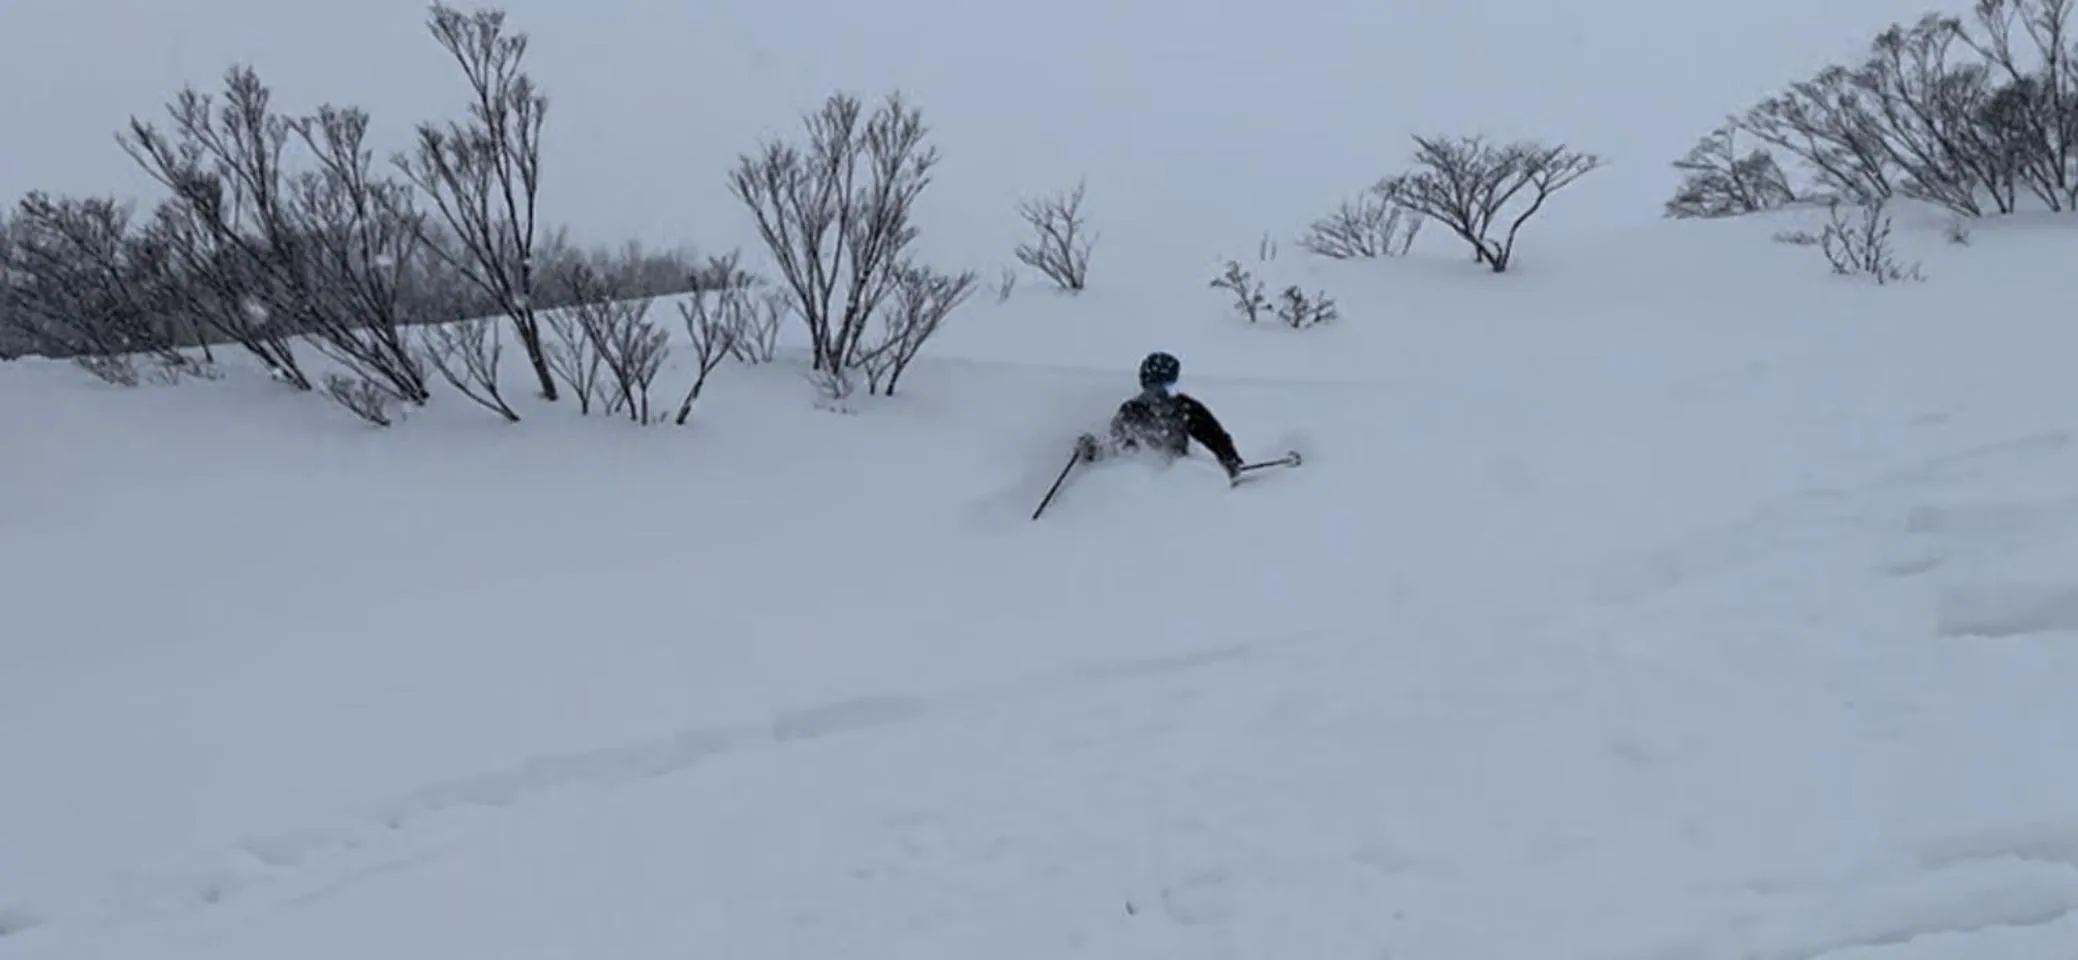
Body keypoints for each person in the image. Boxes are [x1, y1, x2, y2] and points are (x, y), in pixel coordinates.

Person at [1075, 351, 1247, 480]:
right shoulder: (1132, 411)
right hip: (1140, 482)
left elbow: (1214, 436)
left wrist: (1230, 461)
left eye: (1167, 387)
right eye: (1154, 388)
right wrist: (1092, 450)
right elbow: (1115, 445)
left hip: (1178, 479)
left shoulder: (1185, 408)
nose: (1160, 395)